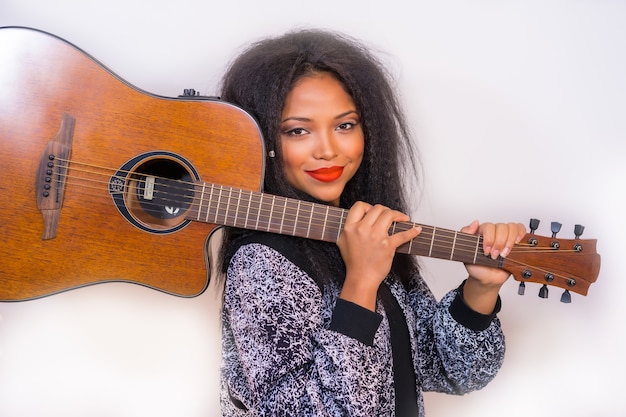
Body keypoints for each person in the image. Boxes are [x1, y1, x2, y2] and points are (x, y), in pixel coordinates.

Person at [215, 29, 526, 417]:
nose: (328, 149)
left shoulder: (369, 230)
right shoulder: (261, 261)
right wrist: (361, 282)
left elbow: (448, 370)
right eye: (298, 130)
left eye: (345, 125)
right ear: (265, 142)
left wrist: (479, 291)